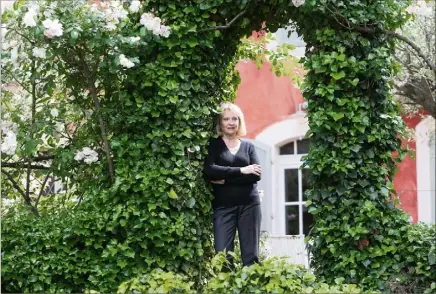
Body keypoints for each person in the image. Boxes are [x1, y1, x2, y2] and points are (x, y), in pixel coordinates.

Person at [203, 102, 262, 267]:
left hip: (250, 205)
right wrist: (242, 171)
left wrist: (225, 180)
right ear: (220, 123)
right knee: (222, 257)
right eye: (226, 119)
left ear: (239, 122)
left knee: (251, 257)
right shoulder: (214, 145)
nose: (231, 122)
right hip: (223, 207)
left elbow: (256, 176)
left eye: (235, 119)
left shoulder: (248, 146)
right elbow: (210, 170)